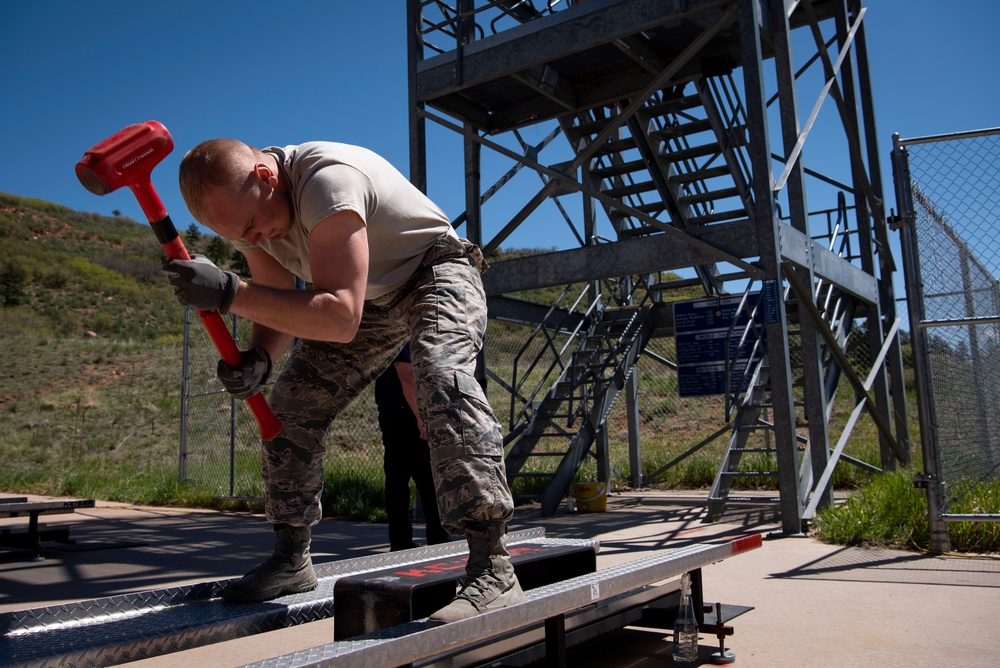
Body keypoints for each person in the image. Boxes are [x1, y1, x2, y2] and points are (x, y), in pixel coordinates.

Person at [163, 138, 524, 624]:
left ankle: (493, 565)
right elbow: (273, 303)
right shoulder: (250, 213)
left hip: (434, 271)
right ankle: (292, 556)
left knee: (441, 377)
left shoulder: (327, 182)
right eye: (243, 236)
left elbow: (337, 317)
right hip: (370, 300)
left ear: (266, 176)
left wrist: (228, 291)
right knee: (291, 404)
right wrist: (260, 360)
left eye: (253, 225)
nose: (257, 236)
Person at [376, 343, 450, 551]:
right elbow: (407, 377)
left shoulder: (392, 334)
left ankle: (401, 542)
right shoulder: (404, 337)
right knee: (425, 477)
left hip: (393, 410)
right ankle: (436, 539)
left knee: (399, 480)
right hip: (405, 410)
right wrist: (421, 416)